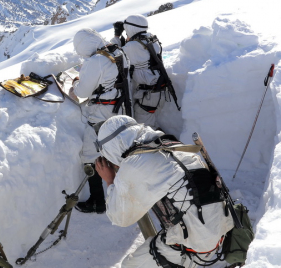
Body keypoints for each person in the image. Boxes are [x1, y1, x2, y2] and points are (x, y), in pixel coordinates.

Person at [94, 115, 234, 268]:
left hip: (196, 244)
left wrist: (110, 180)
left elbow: (120, 218)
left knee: (130, 265)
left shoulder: (135, 165)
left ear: (112, 147)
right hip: (221, 230)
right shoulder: (172, 144)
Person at [72, 27, 124, 213]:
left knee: (89, 155)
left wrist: (76, 82)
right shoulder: (115, 52)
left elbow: (81, 93)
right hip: (120, 108)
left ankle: (98, 201)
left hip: (101, 113)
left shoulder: (97, 61)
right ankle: (126, 192)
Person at [115, 15, 164, 129]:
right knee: (147, 122)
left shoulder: (133, 46)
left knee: (145, 127)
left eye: (127, 30)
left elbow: (116, 57)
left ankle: (157, 143)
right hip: (155, 90)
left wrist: (117, 37)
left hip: (148, 95)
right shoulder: (151, 39)